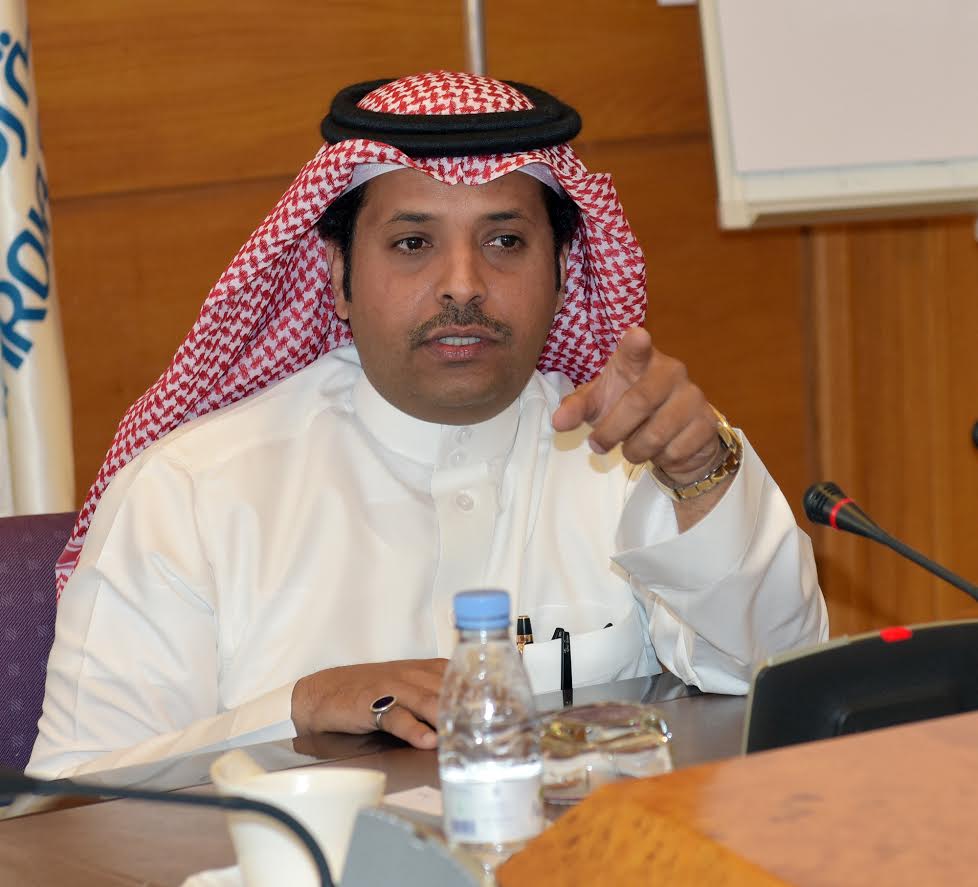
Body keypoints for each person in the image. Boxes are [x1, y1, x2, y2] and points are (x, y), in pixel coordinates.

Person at [28, 72, 827, 779]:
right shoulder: (189, 492)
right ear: (338, 276)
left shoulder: (642, 453)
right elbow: (71, 799)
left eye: (505, 241)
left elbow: (786, 691)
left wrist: (701, 480)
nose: (463, 285)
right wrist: (296, 708)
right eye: (413, 243)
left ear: (561, 270)